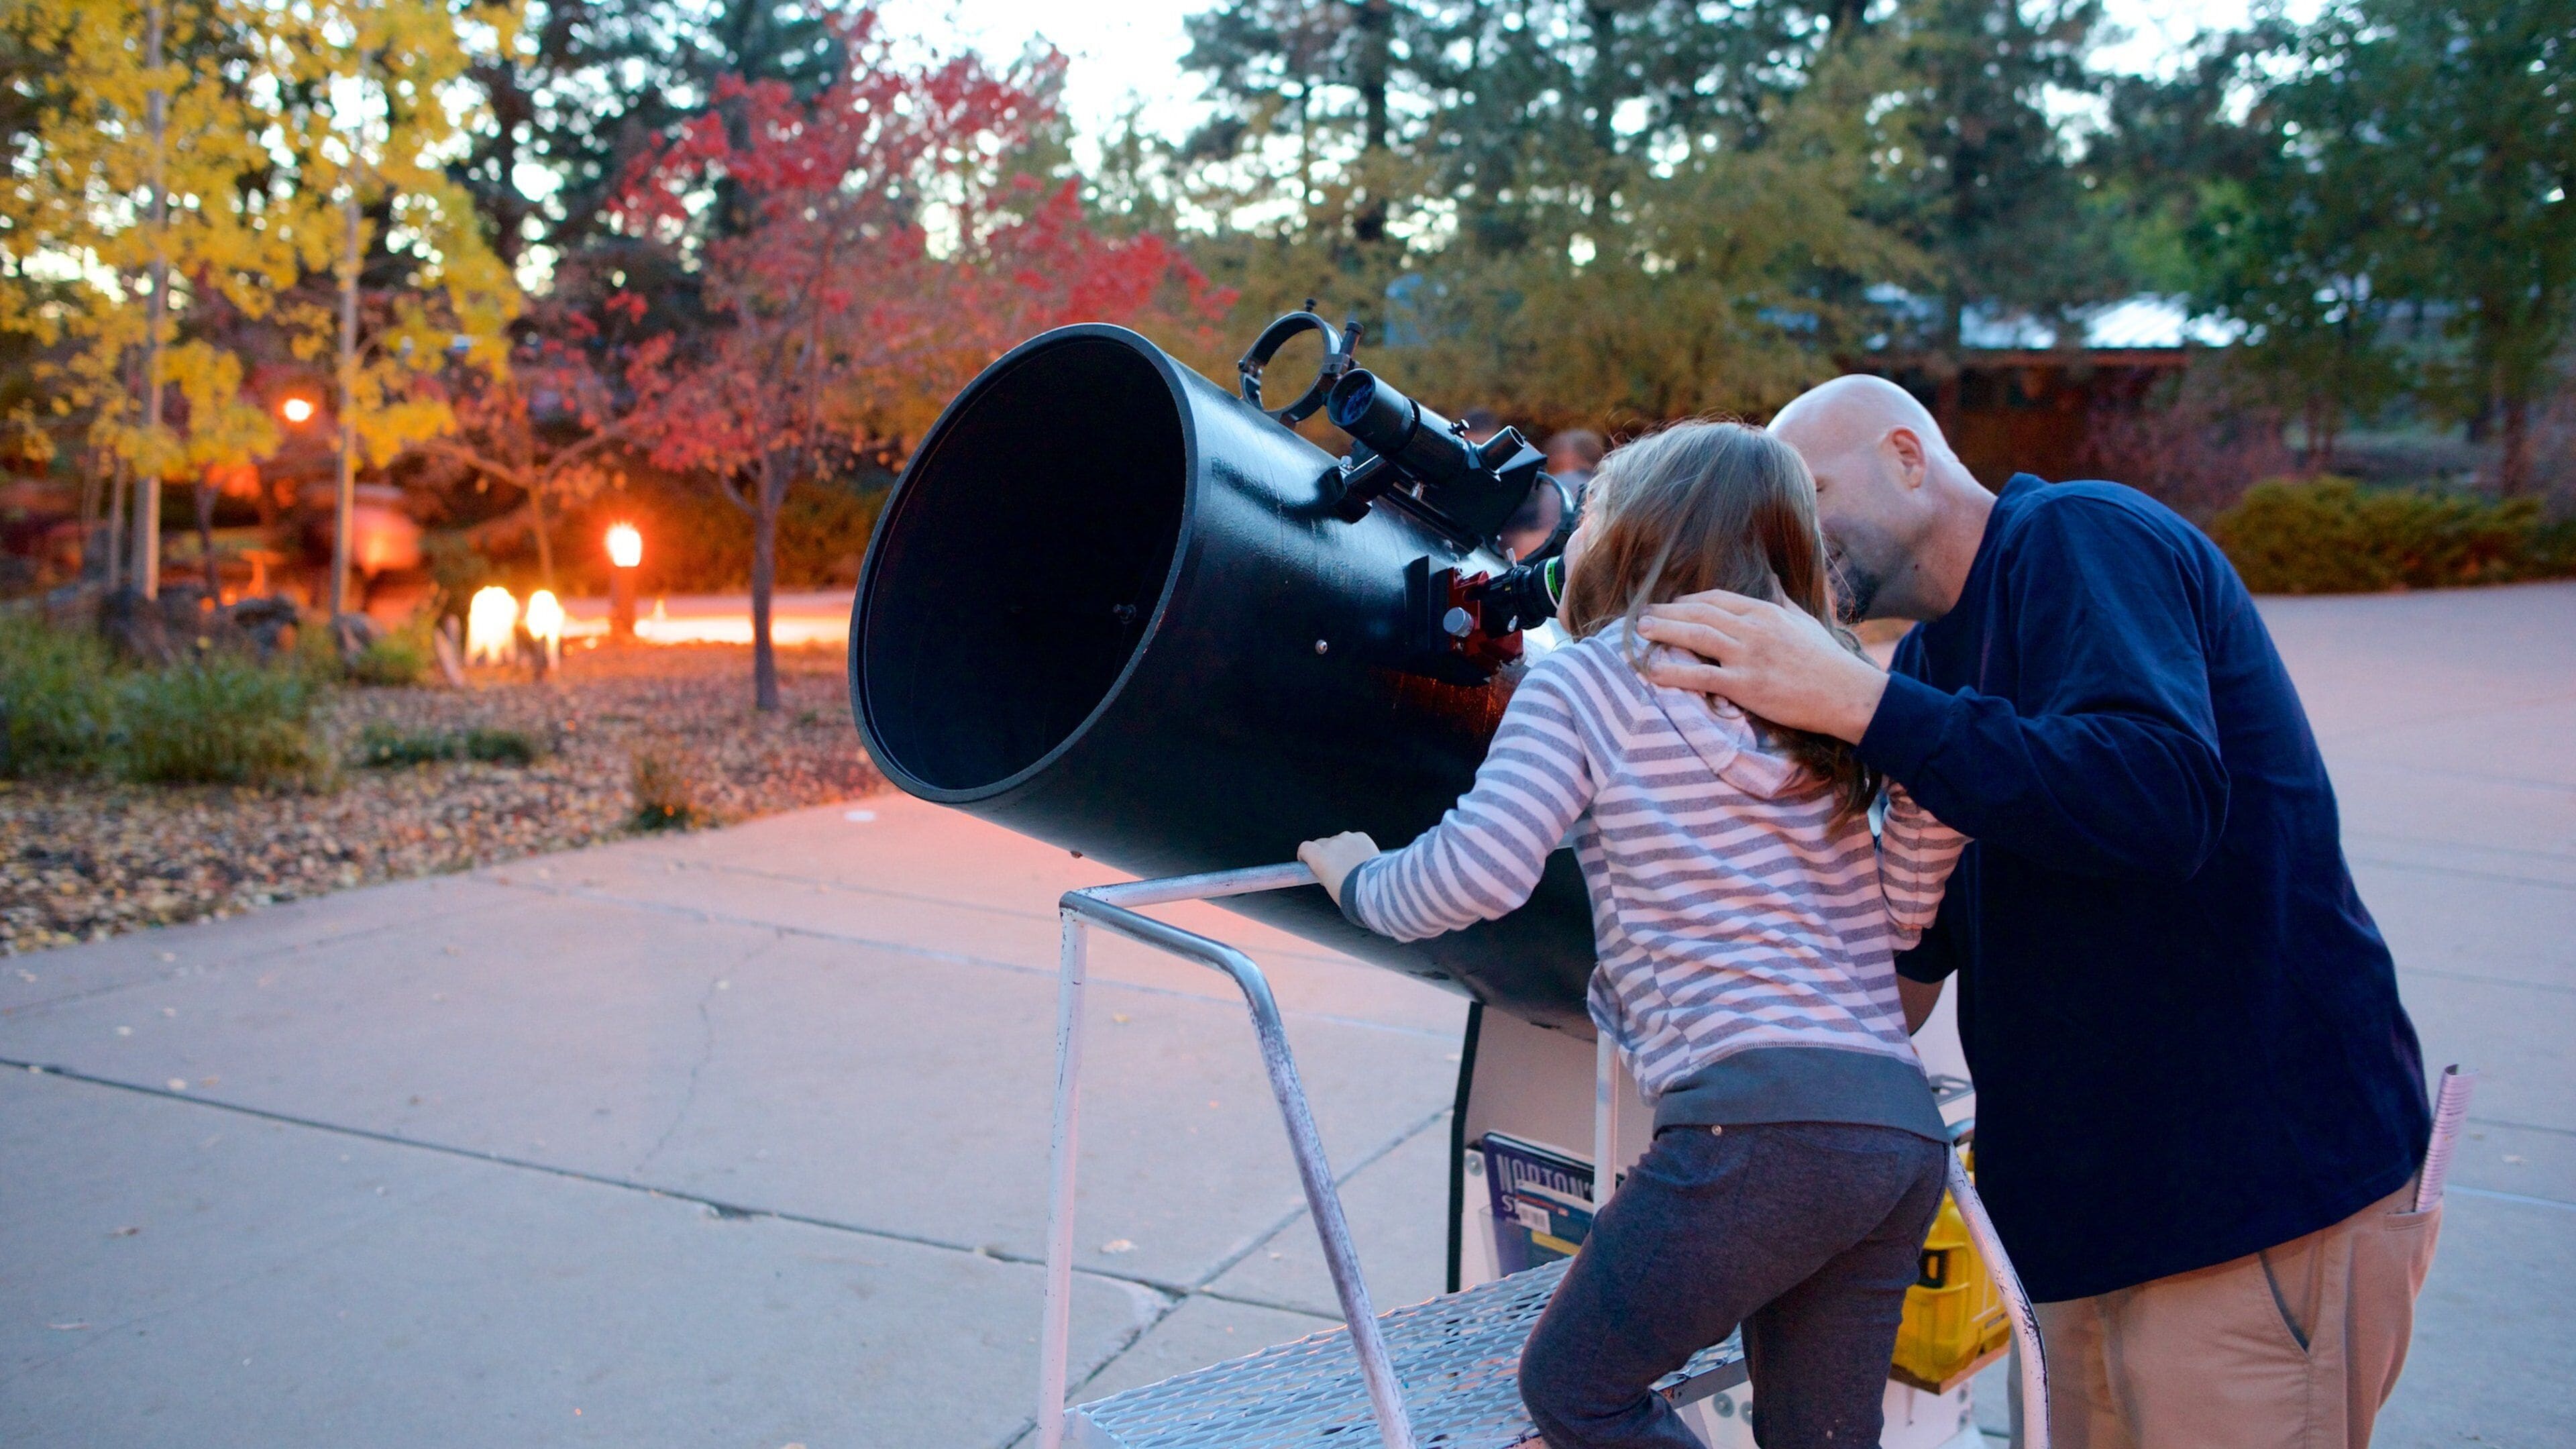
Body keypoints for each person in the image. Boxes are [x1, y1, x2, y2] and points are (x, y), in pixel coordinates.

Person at [1635, 376, 2437, 1449]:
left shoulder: (2079, 537)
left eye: (1811, 493)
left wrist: (1854, 702)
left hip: (2250, 1207)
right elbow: (1906, 977)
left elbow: (2162, 797)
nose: (1793, 536)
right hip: (2081, 1236)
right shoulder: (1925, 672)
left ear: (1909, 457)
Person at [1299, 420, 1972, 1449]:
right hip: (1893, 1129)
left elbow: (1478, 872)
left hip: (1754, 1127)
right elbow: (1900, 910)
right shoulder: (1825, 710)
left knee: (1576, 1390)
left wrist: (1357, 880)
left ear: (1628, 536)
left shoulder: (1592, 683)